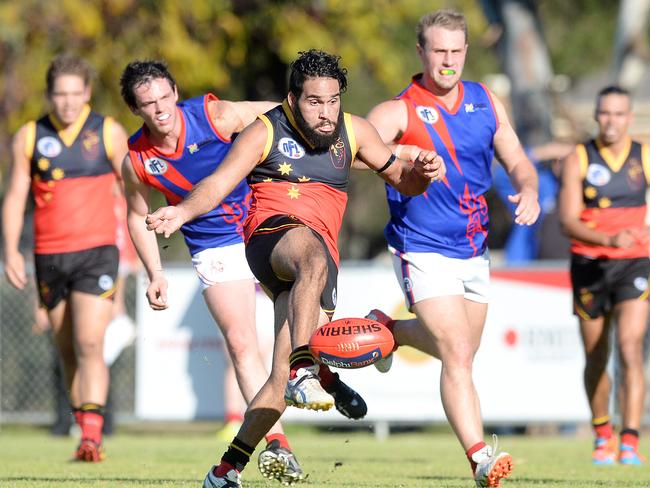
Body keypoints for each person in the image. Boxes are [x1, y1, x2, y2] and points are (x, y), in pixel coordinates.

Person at [144, 49, 444, 488]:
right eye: (313, 102)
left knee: (277, 377)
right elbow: (217, 183)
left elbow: (403, 179)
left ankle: (224, 471)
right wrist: (182, 213)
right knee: (309, 255)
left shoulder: (355, 131)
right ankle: (309, 369)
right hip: (271, 237)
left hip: (320, 265)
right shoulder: (264, 130)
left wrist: (425, 171)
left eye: (333, 100)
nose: (325, 113)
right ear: (291, 99)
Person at [364, 10, 540, 488]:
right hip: (421, 245)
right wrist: (403, 155)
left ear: (466, 52)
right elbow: (355, 152)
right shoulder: (398, 110)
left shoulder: (486, 100)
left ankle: (390, 331)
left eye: (456, 51)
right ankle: (481, 459)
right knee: (457, 349)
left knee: (461, 351)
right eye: (438, 51)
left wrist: (529, 189)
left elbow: (519, 158)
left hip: (473, 247)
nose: (448, 61)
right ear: (420, 52)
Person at [2, 53, 129, 461]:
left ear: (87, 93)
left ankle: (91, 436)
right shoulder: (29, 136)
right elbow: (16, 197)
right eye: (61, 94)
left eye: (76, 94)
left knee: (90, 341)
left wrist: (138, 246)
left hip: (98, 253)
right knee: (67, 350)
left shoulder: (108, 132)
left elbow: (133, 192)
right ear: (49, 95)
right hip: (50, 257)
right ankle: (84, 423)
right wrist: (10, 251)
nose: (69, 102)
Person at [558, 85, 650, 466]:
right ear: (597, 116)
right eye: (605, 114)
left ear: (629, 117)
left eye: (619, 114)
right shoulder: (578, 158)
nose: (611, 121)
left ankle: (630, 439)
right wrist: (607, 237)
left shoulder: (643, 156)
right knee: (596, 356)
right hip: (590, 266)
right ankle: (602, 435)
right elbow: (567, 220)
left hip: (635, 264)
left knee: (631, 348)